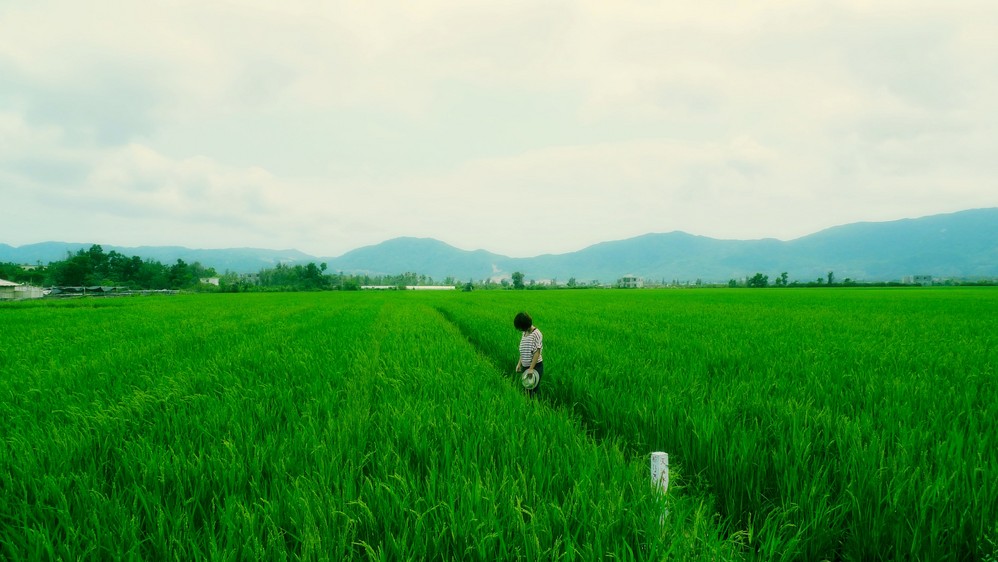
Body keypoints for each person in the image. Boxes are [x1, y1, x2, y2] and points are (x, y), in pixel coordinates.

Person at [513, 312, 543, 395]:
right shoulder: (524, 333)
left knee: (532, 392)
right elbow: (523, 351)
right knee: (526, 390)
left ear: (524, 325)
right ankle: (527, 406)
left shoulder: (536, 334)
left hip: (535, 367)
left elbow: (537, 353)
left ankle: (534, 407)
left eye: (520, 327)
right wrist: (519, 364)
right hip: (525, 367)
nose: (520, 330)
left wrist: (531, 368)